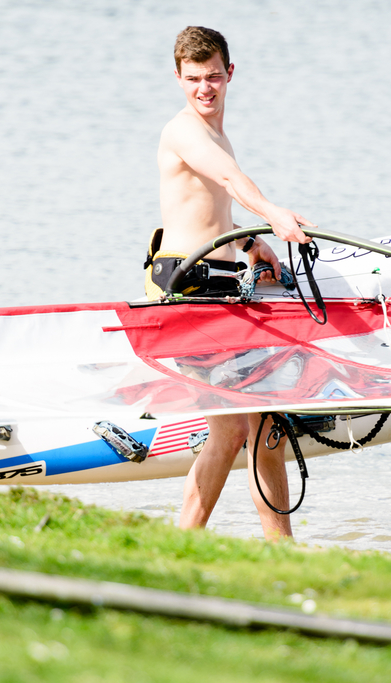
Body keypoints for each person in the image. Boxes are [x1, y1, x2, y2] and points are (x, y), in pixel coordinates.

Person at [150, 26, 315, 541]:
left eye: (214, 77)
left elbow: (207, 210)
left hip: (215, 284)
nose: (205, 88)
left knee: (234, 427)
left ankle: (185, 542)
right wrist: (271, 215)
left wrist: (249, 245)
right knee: (263, 417)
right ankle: (280, 547)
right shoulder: (184, 131)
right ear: (178, 78)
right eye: (194, 78)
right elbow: (228, 180)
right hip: (188, 292)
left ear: (230, 74)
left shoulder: (216, 129)